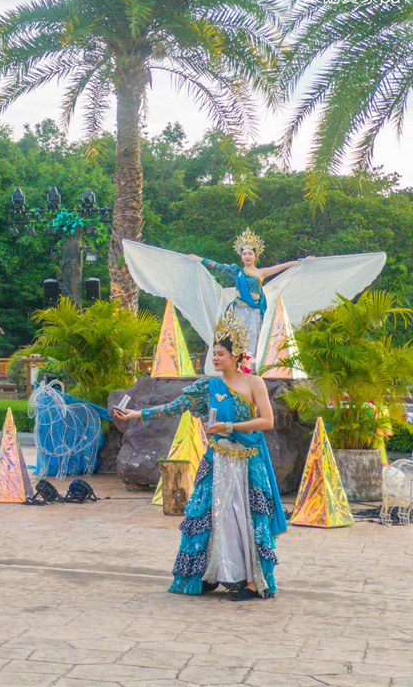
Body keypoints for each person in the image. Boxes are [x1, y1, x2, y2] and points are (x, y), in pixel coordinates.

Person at [113, 316, 285, 601]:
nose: (215, 358)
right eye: (213, 353)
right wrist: (137, 414)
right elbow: (175, 406)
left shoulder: (254, 383)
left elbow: (266, 421)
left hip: (247, 462)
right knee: (213, 517)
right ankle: (212, 573)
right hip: (217, 460)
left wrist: (227, 428)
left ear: (235, 355)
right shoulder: (208, 387)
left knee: (245, 518)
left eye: (220, 353)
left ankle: (253, 582)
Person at [188, 229, 309, 367]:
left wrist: (302, 261)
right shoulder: (237, 272)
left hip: (255, 312)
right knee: (238, 340)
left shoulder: (261, 272)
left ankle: (250, 369)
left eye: (250, 253)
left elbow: (282, 267)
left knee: (254, 340)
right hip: (239, 312)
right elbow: (217, 265)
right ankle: (237, 367)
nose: (247, 256)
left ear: (255, 256)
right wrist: (198, 258)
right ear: (240, 256)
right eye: (244, 253)